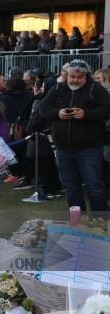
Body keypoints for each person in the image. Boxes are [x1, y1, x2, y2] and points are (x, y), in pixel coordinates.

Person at [39, 59, 110, 212]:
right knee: (70, 187)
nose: (75, 80)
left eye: (79, 77)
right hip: (63, 148)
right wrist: (58, 113)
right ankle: (77, 220)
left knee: (94, 185)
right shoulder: (58, 88)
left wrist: (86, 114)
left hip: (90, 148)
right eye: (72, 76)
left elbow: (107, 109)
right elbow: (43, 108)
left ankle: (102, 222)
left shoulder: (96, 88)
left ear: (86, 76)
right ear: (67, 75)